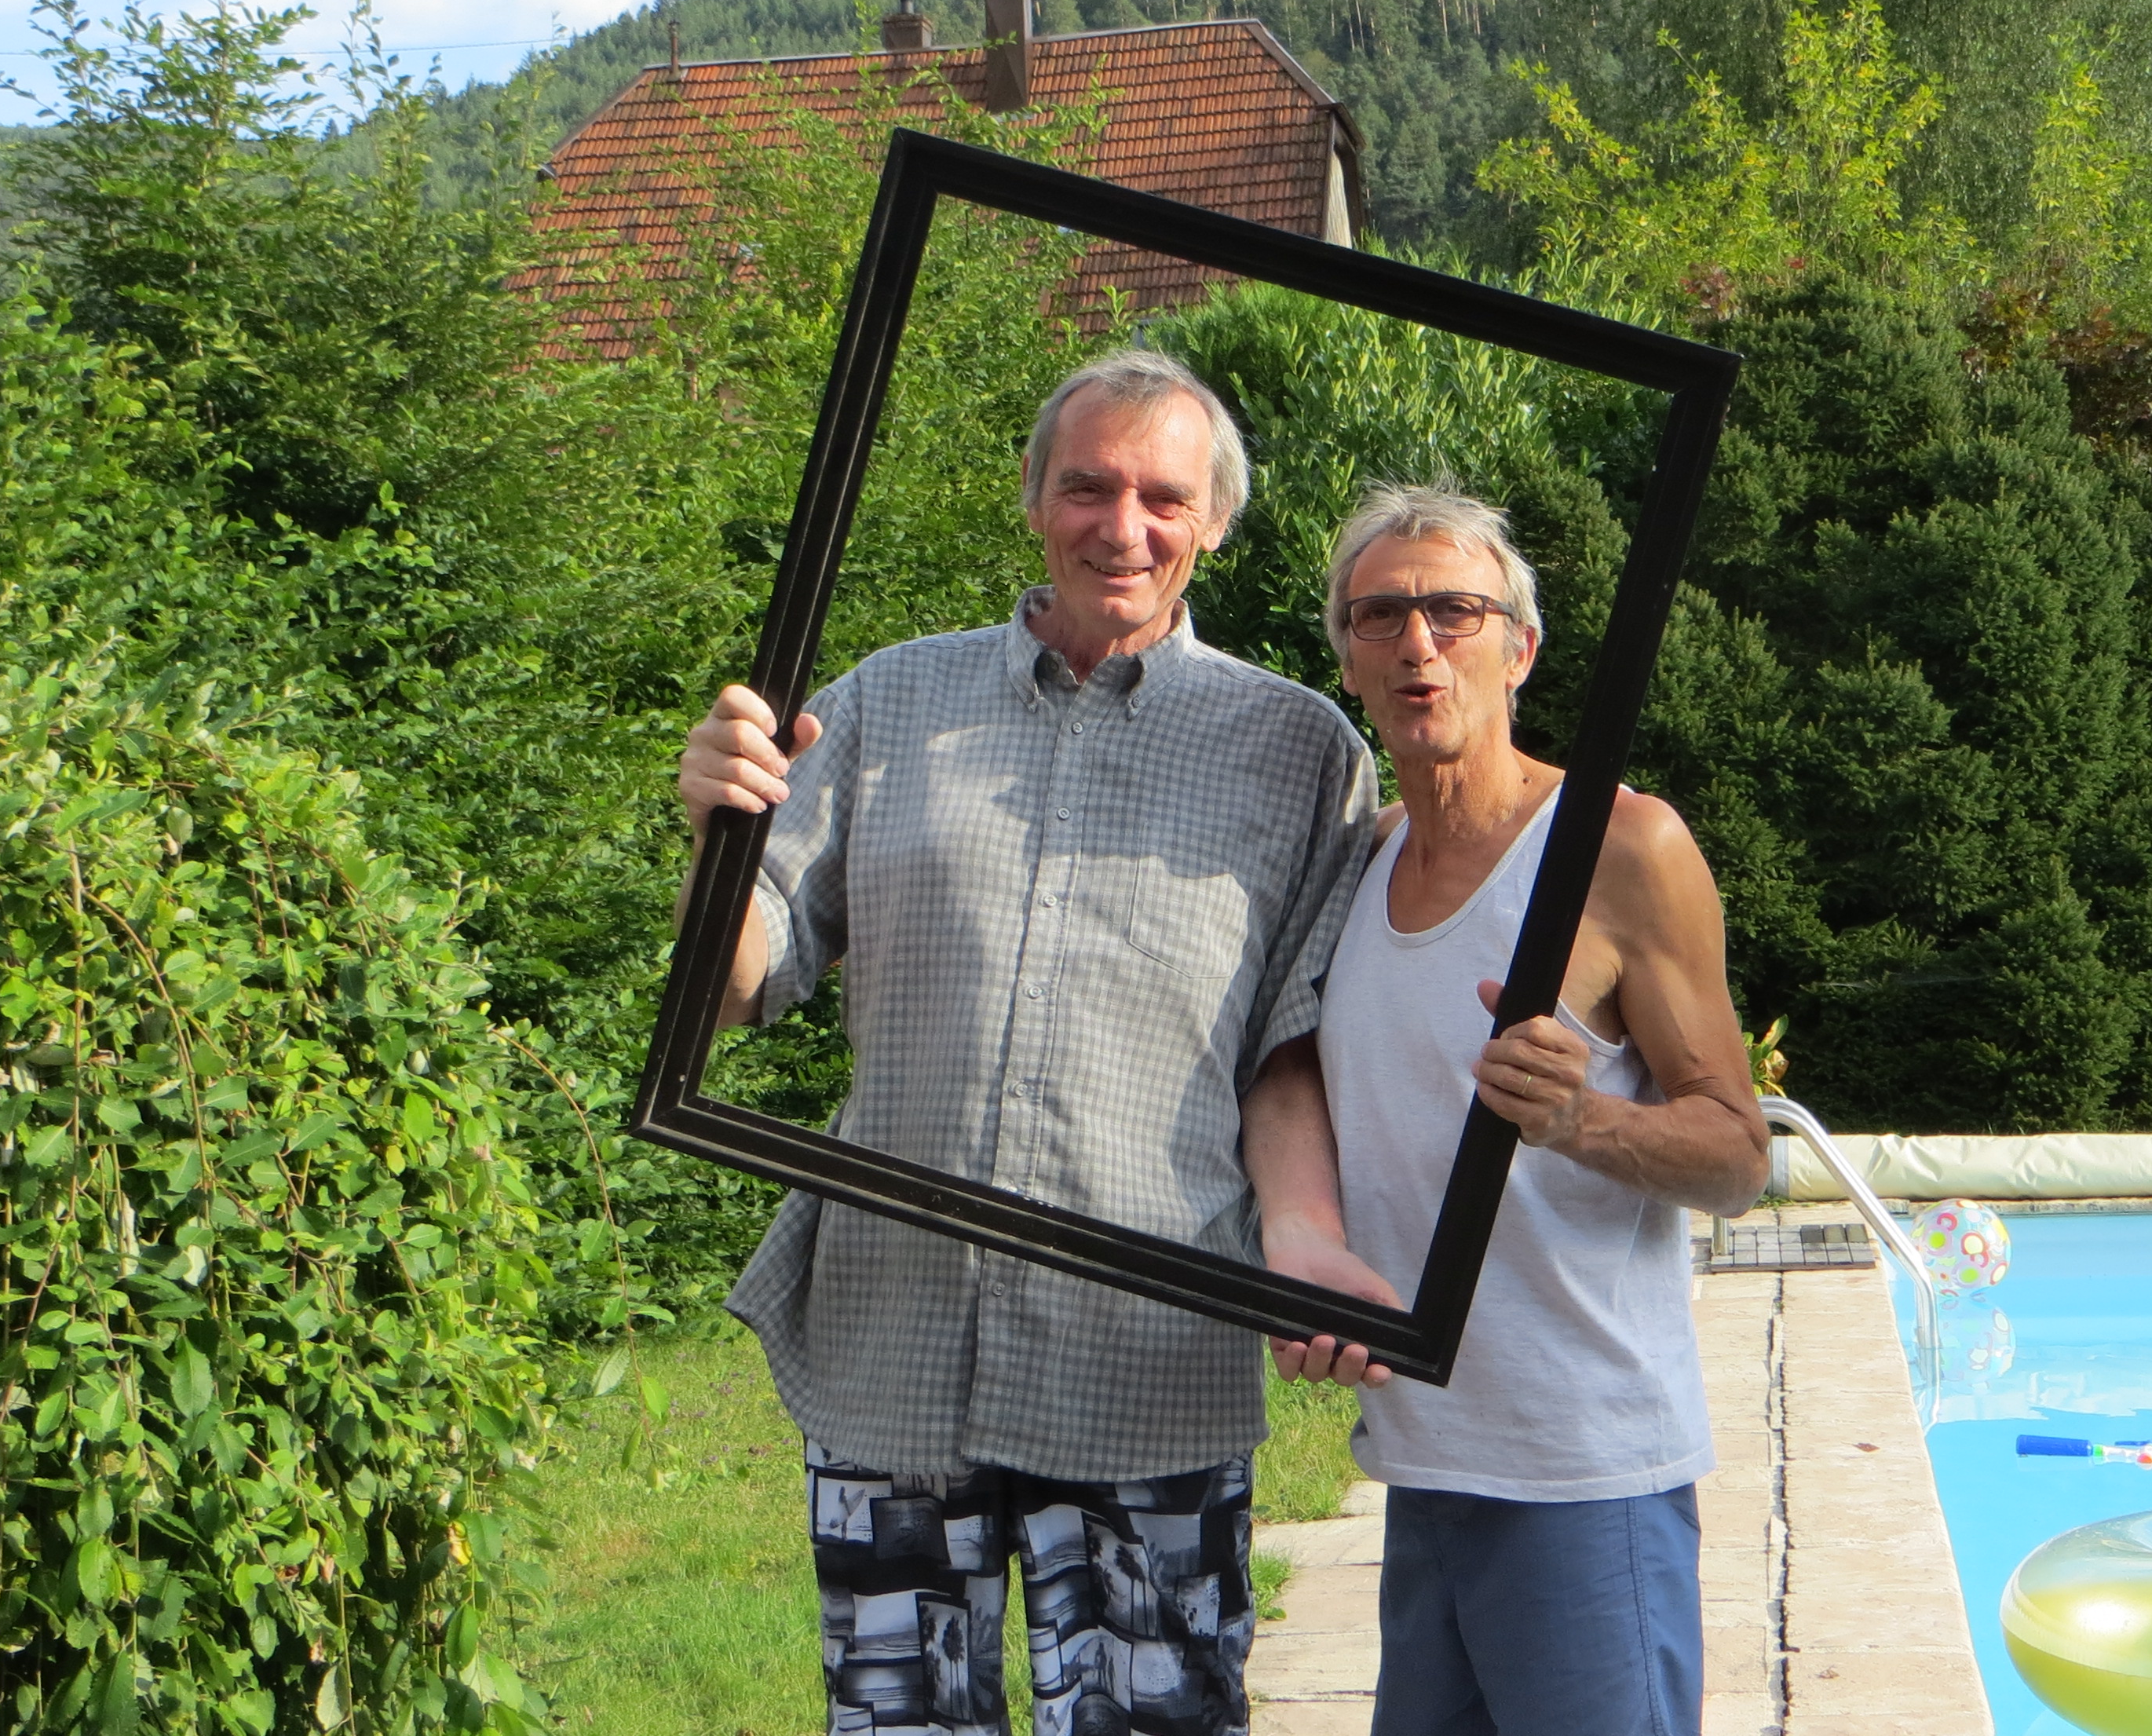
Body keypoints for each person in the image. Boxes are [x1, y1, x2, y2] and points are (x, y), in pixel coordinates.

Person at [678, 346, 1386, 1736]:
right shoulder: (883, 705)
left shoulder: (1300, 752)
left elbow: (1292, 1053)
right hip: (891, 1339)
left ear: (1214, 522)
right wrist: (718, 841)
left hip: (1147, 1358)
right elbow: (742, 984)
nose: (1124, 527)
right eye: (1088, 487)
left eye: (1164, 498)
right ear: (1033, 496)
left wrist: (1304, 1238)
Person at [1273, 483, 1771, 1736]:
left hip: (1583, 1472)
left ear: (1521, 648)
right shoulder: (1360, 860)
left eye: (1455, 610)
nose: (1418, 643)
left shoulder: (1621, 847)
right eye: (1380, 616)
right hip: (1425, 1458)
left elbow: (1737, 1153)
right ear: (1347, 656)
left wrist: (1581, 1120)